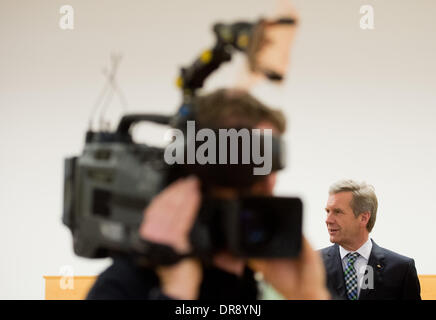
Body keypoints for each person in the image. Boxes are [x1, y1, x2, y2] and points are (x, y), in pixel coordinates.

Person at [87, 88, 329, 300]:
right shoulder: (125, 284)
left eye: (271, 167)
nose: (268, 183)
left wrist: (310, 296)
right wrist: (175, 293)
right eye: (251, 167)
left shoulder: (258, 275)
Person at [321, 179, 421, 300]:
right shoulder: (311, 265)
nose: (328, 220)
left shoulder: (401, 270)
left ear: (363, 218)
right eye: (328, 211)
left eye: (337, 212)